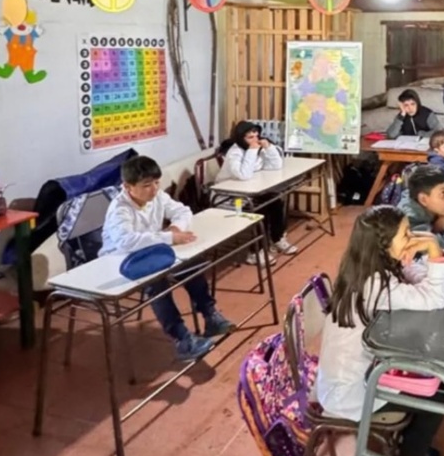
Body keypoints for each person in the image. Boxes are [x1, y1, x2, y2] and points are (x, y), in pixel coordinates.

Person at [316, 205, 444, 456]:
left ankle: (413, 449)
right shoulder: (375, 285)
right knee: (441, 396)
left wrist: (418, 256)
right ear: (383, 245)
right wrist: (433, 246)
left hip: (361, 372)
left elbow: (421, 279)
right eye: (405, 234)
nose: (412, 238)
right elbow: (434, 297)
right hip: (352, 390)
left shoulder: (368, 267)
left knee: (436, 382)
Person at [99, 155, 234, 361]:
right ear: (128, 186)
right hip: (120, 262)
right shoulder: (120, 209)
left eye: (156, 183)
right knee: (157, 283)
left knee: (192, 264)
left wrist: (175, 228)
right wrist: (169, 237)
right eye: (146, 185)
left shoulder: (157, 196)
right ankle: (182, 339)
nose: (153, 189)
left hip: (153, 252)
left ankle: (210, 315)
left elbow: (183, 211)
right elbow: (126, 242)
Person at [217, 121, 298, 265]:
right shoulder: (235, 153)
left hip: (252, 190)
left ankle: (277, 239)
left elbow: (275, 166)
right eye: (250, 137)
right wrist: (252, 151)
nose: (255, 140)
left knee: (275, 201)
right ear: (241, 138)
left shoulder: (256, 149)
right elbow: (243, 175)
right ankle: (255, 252)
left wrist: (269, 148)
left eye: (256, 135)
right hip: (230, 196)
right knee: (260, 210)